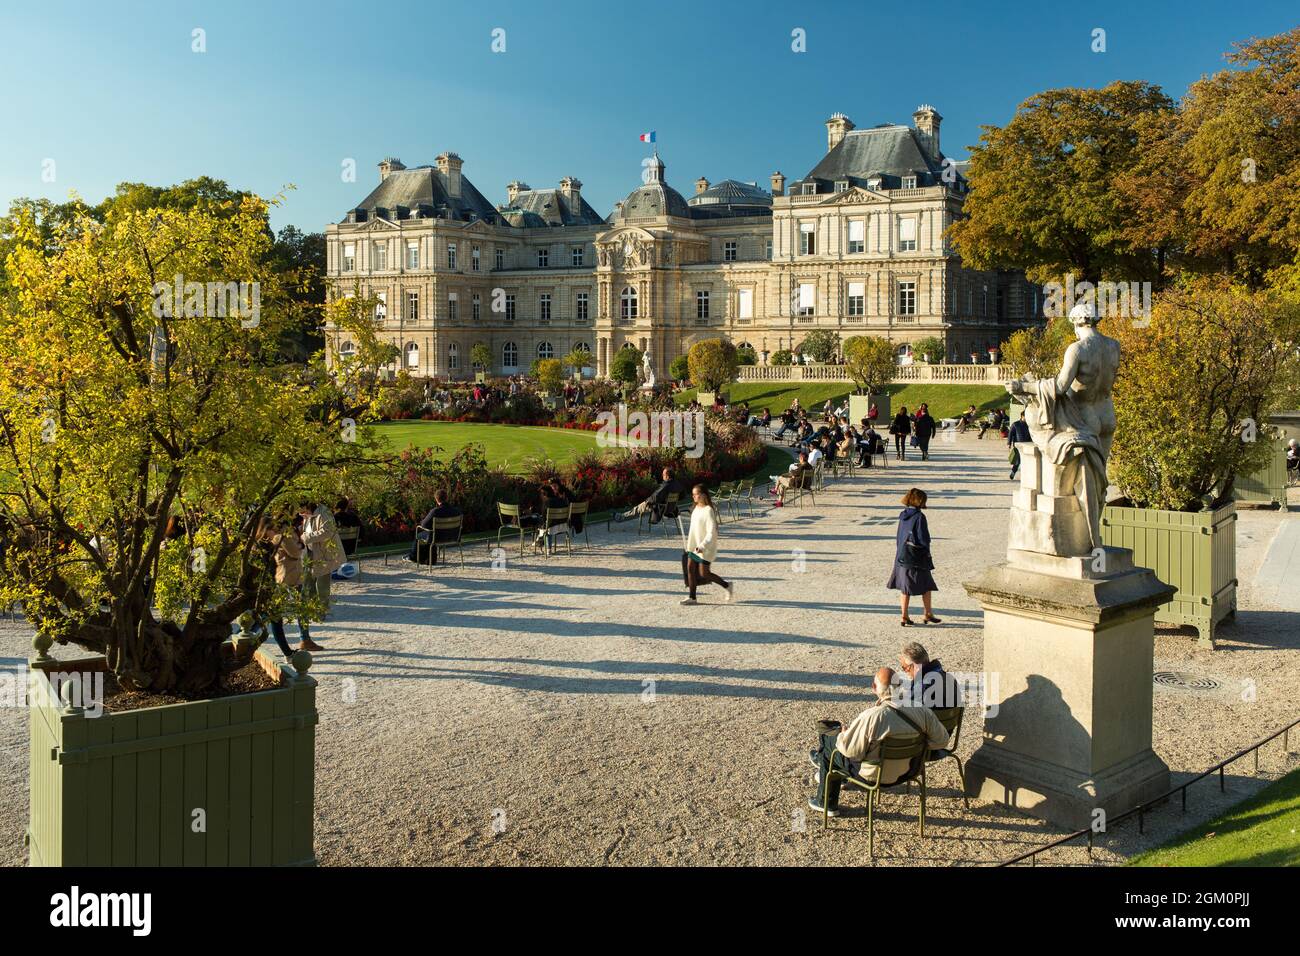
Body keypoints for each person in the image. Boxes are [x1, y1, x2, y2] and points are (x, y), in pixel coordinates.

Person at [807, 666, 951, 817]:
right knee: (841, 749)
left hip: (873, 776)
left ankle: (826, 802)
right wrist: (919, 747)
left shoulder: (872, 716)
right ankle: (828, 771)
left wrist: (843, 735)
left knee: (830, 743)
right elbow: (942, 741)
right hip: (909, 770)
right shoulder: (921, 710)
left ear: (874, 687)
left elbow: (851, 752)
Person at [256, 515, 315, 655]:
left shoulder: (269, 540)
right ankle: (296, 646)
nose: (275, 531)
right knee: (272, 616)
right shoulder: (277, 538)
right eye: (273, 528)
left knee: (274, 617)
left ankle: (291, 650)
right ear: (267, 529)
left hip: (281, 577)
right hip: (284, 577)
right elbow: (295, 552)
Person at [887, 488, 940, 626]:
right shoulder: (919, 517)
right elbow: (923, 539)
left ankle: (905, 616)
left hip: (902, 555)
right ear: (921, 501)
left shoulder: (903, 515)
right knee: (927, 584)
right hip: (916, 557)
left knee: (906, 587)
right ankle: (927, 613)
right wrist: (927, 552)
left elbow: (899, 536)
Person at [680, 484, 733, 605]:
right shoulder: (695, 508)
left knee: (704, 573)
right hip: (694, 546)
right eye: (692, 494)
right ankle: (692, 597)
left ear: (703, 495)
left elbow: (711, 532)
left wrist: (702, 546)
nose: (693, 496)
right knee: (690, 568)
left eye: (696, 494)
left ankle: (727, 585)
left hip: (706, 547)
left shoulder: (709, 510)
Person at [298, 500, 345, 635]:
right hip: (310, 553)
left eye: (302, 509)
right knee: (307, 582)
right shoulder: (309, 514)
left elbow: (327, 532)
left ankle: (321, 611)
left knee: (322, 584)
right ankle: (312, 609)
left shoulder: (323, 512)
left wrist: (306, 537)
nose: (301, 512)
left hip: (323, 554)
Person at [895, 641, 961, 709]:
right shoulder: (950, 678)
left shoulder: (921, 687)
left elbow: (912, 713)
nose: (905, 671)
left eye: (905, 667)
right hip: (950, 718)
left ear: (915, 666)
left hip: (927, 719)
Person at [407, 489, 462, 564]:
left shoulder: (435, 511)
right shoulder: (456, 511)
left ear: (436, 499)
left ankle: (413, 557)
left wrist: (422, 521)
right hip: (454, 536)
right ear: (447, 498)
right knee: (429, 534)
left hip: (437, 537)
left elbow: (424, 525)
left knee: (419, 535)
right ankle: (425, 558)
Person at [614, 467, 681, 524]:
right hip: (670, 509)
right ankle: (621, 516)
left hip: (659, 507)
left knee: (638, 509)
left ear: (667, 476)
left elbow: (655, 497)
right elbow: (681, 495)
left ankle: (621, 517)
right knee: (639, 507)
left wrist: (648, 501)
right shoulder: (676, 484)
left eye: (663, 474)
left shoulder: (666, 485)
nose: (662, 475)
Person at [1007, 411, 1031, 479]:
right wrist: (1009, 443)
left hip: (1027, 444)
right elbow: (1010, 434)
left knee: (1027, 461)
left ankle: (1025, 476)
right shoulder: (1015, 424)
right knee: (1018, 461)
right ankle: (1013, 472)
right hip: (1018, 445)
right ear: (1022, 416)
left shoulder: (1029, 425)